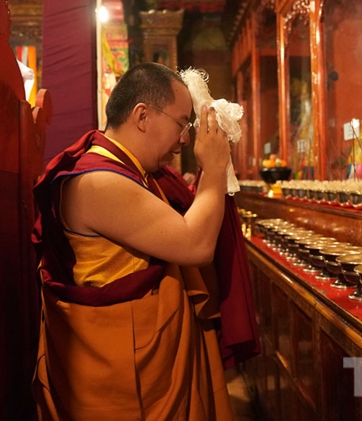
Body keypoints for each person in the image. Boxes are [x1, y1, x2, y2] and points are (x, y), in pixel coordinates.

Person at [31, 62, 259, 420]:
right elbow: (196, 246)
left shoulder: (134, 172)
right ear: (142, 116)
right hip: (122, 382)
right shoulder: (97, 182)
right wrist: (215, 168)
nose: (185, 139)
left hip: (145, 364)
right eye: (181, 123)